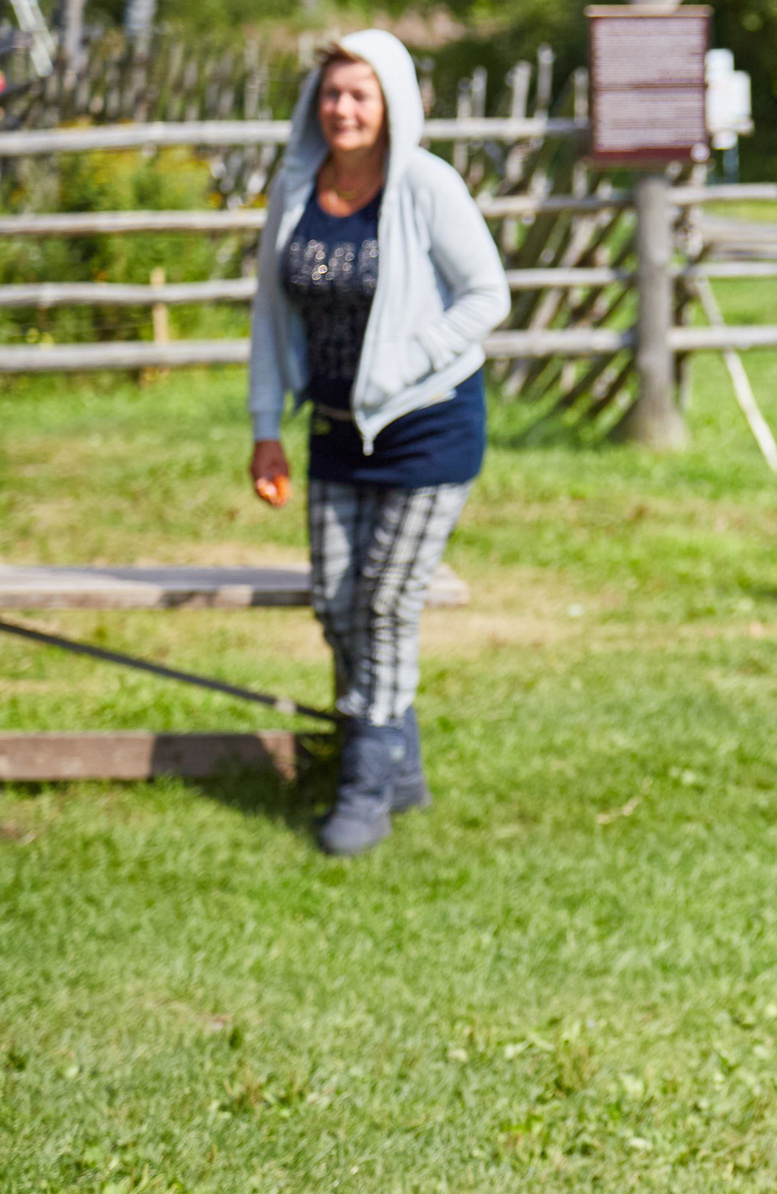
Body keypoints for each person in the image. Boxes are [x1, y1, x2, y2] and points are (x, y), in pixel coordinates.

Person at [245, 30, 508, 857]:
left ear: (392, 101)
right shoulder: (295, 187)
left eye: (360, 94)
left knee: (387, 601)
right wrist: (264, 430)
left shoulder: (426, 186)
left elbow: (486, 295)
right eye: (331, 94)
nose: (343, 110)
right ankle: (399, 753)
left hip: (427, 426)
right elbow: (269, 315)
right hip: (332, 431)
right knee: (335, 600)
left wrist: (407, 359)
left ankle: (363, 783)